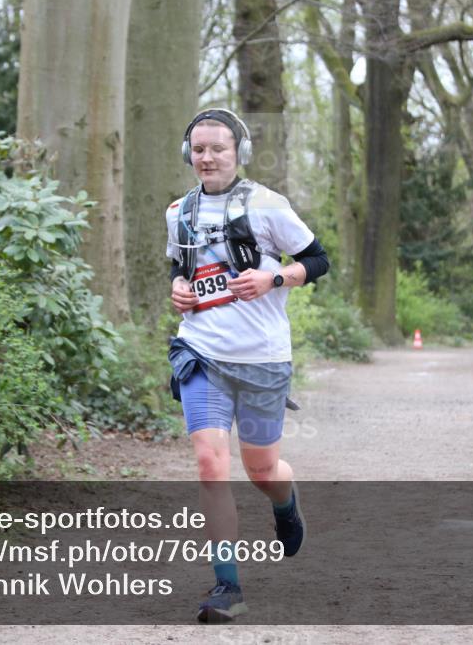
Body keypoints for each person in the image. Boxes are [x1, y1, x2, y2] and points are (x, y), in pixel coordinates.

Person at [165, 108, 329, 623]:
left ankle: (285, 502)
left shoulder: (267, 205)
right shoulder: (178, 211)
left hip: (261, 359)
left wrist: (274, 279)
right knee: (212, 464)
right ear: (187, 152)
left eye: (218, 148)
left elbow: (319, 260)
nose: (207, 156)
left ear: (239, 152)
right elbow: (179, 264)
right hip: (200, 352)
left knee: (261, 471)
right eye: (199, 148)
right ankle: (226, 586)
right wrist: (178, 288)